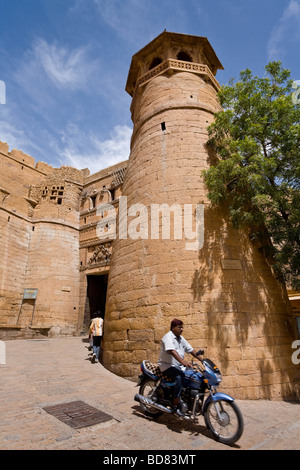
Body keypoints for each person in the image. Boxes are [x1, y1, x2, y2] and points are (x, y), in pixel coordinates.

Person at [158, 318, 204, 418]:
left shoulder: (180, 338)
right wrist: (183, 361)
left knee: (194, 376)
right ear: (173, 327)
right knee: (180, 376)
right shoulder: (168, 337)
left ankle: (189, 399)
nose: (182, 329)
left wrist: (202, 360)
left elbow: (190, 350)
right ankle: (175, 401)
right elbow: (172, 351)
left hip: (177, 366)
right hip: (167, 366)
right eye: (179, 327)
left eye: (182, 327)